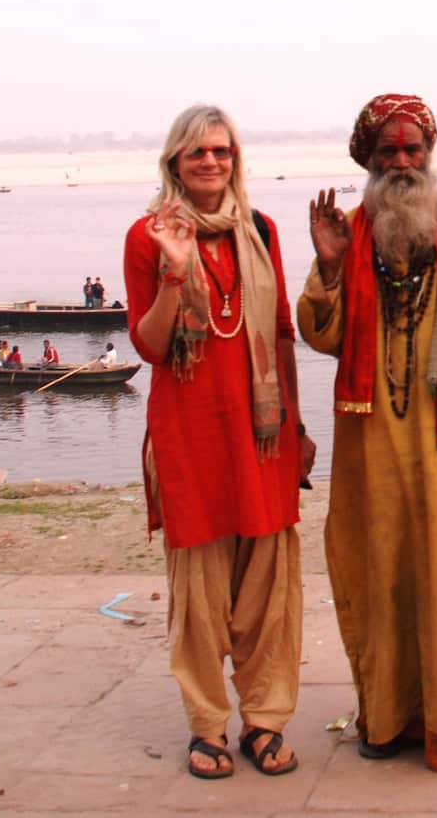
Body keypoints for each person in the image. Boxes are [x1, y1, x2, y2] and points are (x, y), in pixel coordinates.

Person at [297, 94, 437, 774]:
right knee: (383, 572)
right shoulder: (351, 230)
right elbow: (321, 332)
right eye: (386, 152)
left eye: (411, 149)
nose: (400, 162)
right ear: (367, 160)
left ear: (430, 153)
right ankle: (391, 715)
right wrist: (332, 266)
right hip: (377, 447)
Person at [123, 105, 314, 781]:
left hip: (261, 435)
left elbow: (283, 330)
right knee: (200, 597)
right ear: (174, 161)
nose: (211, 162)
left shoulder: (260, 229)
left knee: (269, 590)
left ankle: (265, 721)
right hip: (191, 433)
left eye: (222, 151)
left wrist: (295, 426)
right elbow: (148, 344)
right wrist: (176, 271)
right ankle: (207, 725)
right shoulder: (148, 236)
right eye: (197, 152)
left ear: (236, 159)